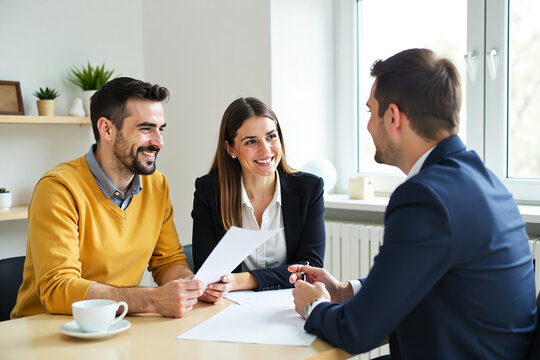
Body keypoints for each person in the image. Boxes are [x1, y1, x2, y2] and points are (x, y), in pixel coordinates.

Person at [288, 49, 537, 359]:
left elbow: (357, 331)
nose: (367, 126)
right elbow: (429, 275)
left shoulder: (425, 197)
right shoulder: (483, 180)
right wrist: (346, 292)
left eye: (370, 111)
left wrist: (313, 307)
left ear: (393, 117)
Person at [11, 77, 218, 319]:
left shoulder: (156, 184)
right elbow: (58, 288)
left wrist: (191, 285)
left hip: (117, 324)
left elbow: (168, 261)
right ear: (106, 129)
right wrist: (151, 299)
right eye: (145, 129)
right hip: (47, 331)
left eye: (160, 129)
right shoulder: (58, 188)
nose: (159, 142)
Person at [191, 97, 325, 299]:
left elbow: (310, 269)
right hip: (230, 307)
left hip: (290, 304)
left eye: (271, 136)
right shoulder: (208, 192)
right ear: (231, 149)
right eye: (251, 141)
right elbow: (207, 273)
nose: (266, 149)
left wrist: (240, 280)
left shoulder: (309, 189)